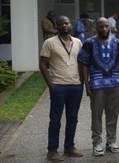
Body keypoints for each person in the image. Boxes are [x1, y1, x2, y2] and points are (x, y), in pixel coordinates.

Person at [77, 18, 119, 156]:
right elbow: (84, 64)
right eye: (101, 27)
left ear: (109, 27)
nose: (104, 29)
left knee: (113, 114)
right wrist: (87, 84)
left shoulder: (116, 42)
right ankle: (97, 142)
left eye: (106, 26)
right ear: (96, 28)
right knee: (96, 114)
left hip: (114, 84)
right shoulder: (89, 43)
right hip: (97, 85)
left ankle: (111, 141)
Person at [39, 16, 84, 162]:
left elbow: (81, 63)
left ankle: (69, 147)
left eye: (66, 23)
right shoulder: (49, 43)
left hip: (75, 86)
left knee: (73, 118)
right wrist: (51, 86)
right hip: (58, 86)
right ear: (56, 27)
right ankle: (52, 150)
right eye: (60, 24)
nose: (64, 26)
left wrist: (82, 83)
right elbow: (43, 65)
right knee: (55, 119)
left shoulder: (77, 42)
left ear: (70, 25)